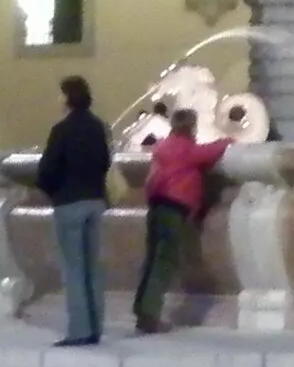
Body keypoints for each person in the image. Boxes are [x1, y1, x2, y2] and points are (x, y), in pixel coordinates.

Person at [134, 108, 231, 334]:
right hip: (175, 208)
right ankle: (151, 314)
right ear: (191, 127)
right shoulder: (187, 149)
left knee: (151, 259)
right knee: (165, 262)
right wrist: (228, 140)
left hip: (156, 205)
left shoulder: (162, 147)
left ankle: (141, 310)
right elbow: (211, 151)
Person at [36, 75, 113, 347]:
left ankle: (79, 330)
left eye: (60, 94)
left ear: (68, 97)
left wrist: (53, 191)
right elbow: (106, 162)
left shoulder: (62, 130)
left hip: (69, 202)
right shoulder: (98, 127)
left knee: (73, 269)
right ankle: (96, 328)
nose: (57, 99)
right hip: (95, 201)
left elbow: (46, 169)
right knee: (93, 267)